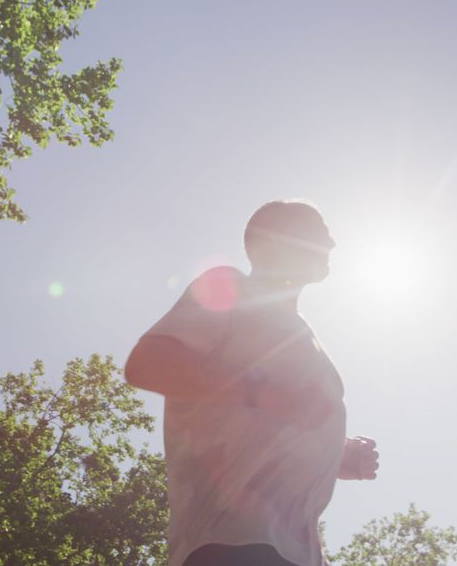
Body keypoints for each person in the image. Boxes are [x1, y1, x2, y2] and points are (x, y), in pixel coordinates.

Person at [125, 200, 379, 566]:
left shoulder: (301, 331)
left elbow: (275, 420)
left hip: (296, 552)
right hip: (232, 544)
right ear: (274, 240)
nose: (332, 244)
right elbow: (148, 363)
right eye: (318, 231)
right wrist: (263, 393)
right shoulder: (229, 287)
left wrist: (333, 455)